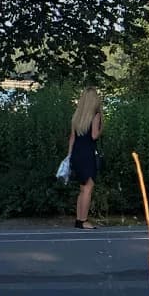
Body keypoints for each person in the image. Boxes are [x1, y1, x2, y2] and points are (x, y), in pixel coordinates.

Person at [68, 87, 103, 229]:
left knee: (82, 188)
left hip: (76, 153)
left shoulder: (77, 115)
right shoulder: (95, 115)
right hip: (88, 154)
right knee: (88, 188)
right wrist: (102, 129)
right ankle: (84, 220)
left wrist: (69, 156)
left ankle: (79, 219)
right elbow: (94, 135)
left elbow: (72, 137)